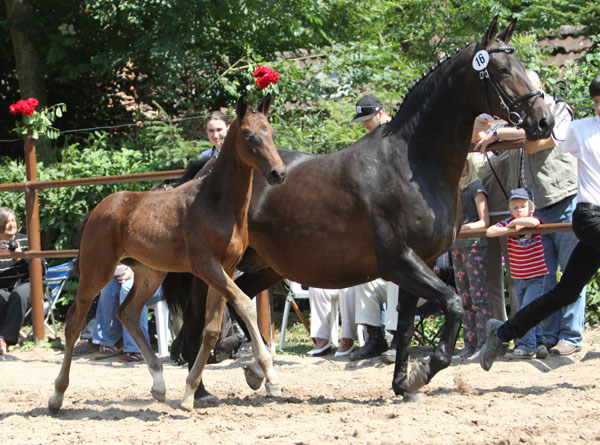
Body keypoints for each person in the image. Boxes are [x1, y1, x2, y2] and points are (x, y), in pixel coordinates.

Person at [480, 71, 600, 371]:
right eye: (597, 101)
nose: (599, 107)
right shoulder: (582, 129)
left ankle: (504, 331)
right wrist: (502, 131)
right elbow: (537, 143)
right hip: (590, 215)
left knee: (567, 290)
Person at [486, 188, 549, 359]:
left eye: (523, 206)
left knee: (525, 310)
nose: (519, 210)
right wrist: (510, 228)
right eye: (515, 207)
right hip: (519, 277)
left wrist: (514, 225)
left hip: (536, 277)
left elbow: (534, 224)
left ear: (531, 207)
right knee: (528, 312)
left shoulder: (534, 219)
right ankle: (539, 342)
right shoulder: (508, 222)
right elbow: (490, 231)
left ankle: (527, 346)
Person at [472, 115, 517, 322]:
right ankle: (499, 329)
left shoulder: (511, 135)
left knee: (516, 277)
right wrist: (481, 124)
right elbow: (474, 135)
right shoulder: (479, 144)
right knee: (491, 280)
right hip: (487, 221)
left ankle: (521, 329)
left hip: (510, 217)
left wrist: (496, 134)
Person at [451, 154, 491, 361]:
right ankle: (470, 343)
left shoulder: (476, 187)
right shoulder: (453, 190)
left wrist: (464, 228)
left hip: (473, 245)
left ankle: (484, 343)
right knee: (464, 297)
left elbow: (484, 221)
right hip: (457, 246)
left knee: (479, 297)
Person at [0, 208, 30, 355]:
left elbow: (42, 268)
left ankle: (6, 338)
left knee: (18, 294)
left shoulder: (25, 240)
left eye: (13, 221)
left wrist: (20, 256)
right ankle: (3, 339)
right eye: (6, 222)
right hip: (4, 289)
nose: (11, 224)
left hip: (29, 285)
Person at [306, 287, 356, 357]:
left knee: (346, 290)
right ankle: (322, 339)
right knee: (316, 289)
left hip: (357, 284)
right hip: (336, 283)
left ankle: (347, 340)